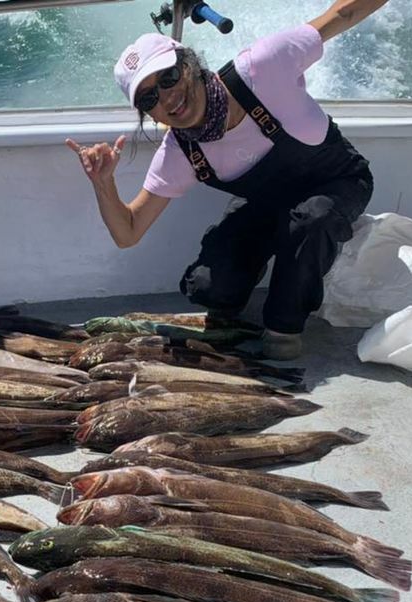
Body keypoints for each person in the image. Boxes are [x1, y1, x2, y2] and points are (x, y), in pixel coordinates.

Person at [66, 0, 391, 359]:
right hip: (268, 204)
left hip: (337, 180)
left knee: (313, 219)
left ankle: (284, 327)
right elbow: (128, 232)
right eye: (149, 97)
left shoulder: (263, 65)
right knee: (207, 288)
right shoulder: (180, 152)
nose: (167, 97)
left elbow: (340, 15)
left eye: (169, 77)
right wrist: (103, 182)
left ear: (189, 63)